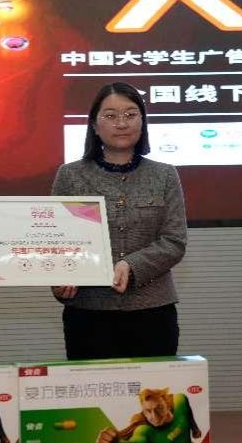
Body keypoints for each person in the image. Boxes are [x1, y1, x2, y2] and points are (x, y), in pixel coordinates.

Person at [51, 82, 188, 360]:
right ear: (94, 125)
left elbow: (174, 241)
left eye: (130, 114)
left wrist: (131, 265)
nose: (122, 123)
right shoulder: (70, 176)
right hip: (88, 313)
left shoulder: (164, 175)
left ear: (142, 121)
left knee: (155, 386)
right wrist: (59, 278)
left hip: (153, 312)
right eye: (110, 115)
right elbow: (56, 240)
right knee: (92, 387)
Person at [97, 388, 202, 443]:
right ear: (144, 413)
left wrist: (194, 428)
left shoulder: (180, 400)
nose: (154, 417)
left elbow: (187, 411)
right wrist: (116, 442)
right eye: (148, 411)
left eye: (159, 408)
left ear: (167, 405)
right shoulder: (144, 431)